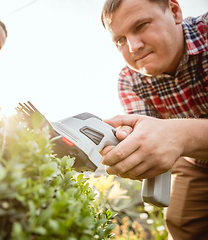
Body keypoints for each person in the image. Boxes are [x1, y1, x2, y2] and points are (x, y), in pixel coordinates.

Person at [99, 0, 208, 239]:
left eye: (141, 25)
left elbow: (174, 137)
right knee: (182, 224)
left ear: (175, 11)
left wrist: (181, 135)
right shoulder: (129, 81)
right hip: (195, 161)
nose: (133, 47)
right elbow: (150, 139)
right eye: (120, 40)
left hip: (189, 148)